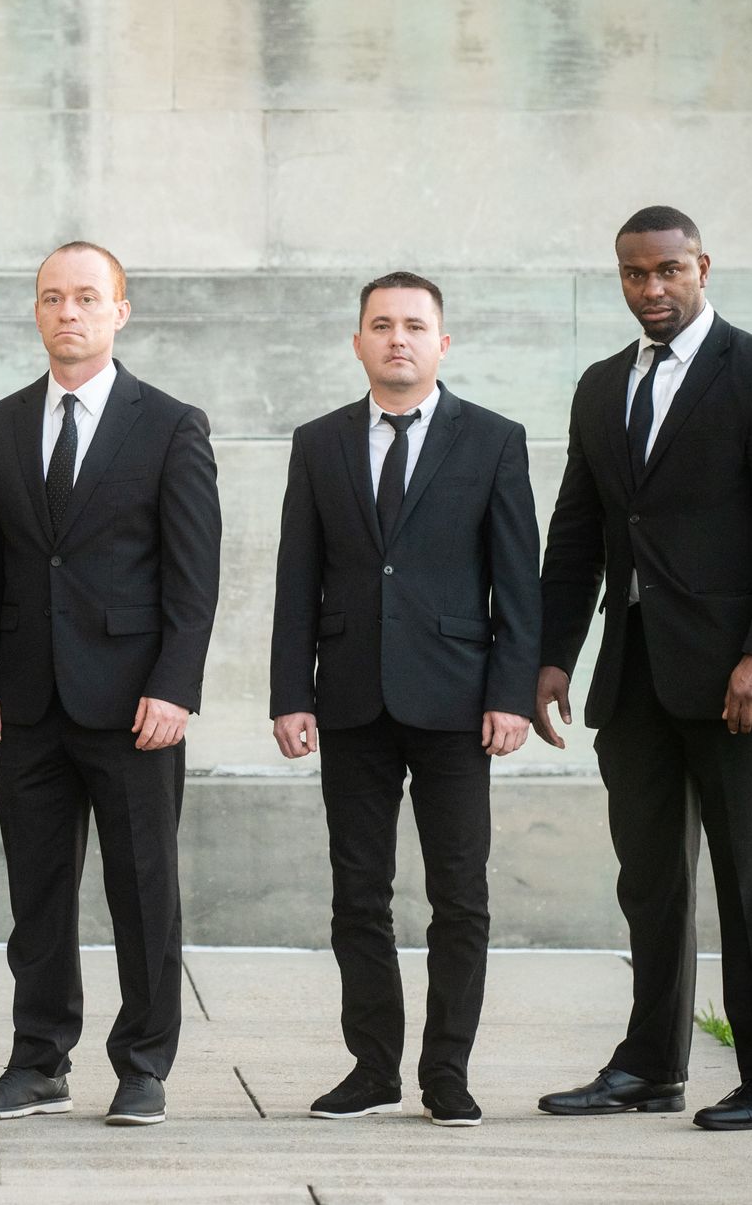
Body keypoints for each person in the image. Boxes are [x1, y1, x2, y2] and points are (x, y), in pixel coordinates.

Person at [534, 207, 752, 1132]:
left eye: (667, 271)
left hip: (742, 679)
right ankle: (651, 1064)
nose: (651, 290)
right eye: (633, 274)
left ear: (702, 265)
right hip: (635, 679)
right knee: (650, 880)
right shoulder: (599, 386)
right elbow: (578, 533)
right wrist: (550, 656)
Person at [0, 241, 222, 1128]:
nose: (69, 313)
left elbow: (193, 576)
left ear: (120, 311)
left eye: (87, 298)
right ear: (36, 312)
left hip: (135, 704)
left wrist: (175, 686)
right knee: (37, 895)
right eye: (53, 298)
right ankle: (38, 1061)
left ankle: (143, 1062)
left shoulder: (171, 423)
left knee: (144, 890)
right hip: (27, 703)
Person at [269, 272, 540, 1128]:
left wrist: (512, 695)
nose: (398, 338)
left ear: (442, 343)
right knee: (360, 892)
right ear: (357, 342)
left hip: (459, 704)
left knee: (460, 896)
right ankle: (372, 1066)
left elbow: (517, 584)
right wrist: (290, 691)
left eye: (415, 325)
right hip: (350, 700)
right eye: (380, 325)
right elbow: (295, 577)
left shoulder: (493, 440)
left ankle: (448, 1071)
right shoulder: (319, 444)